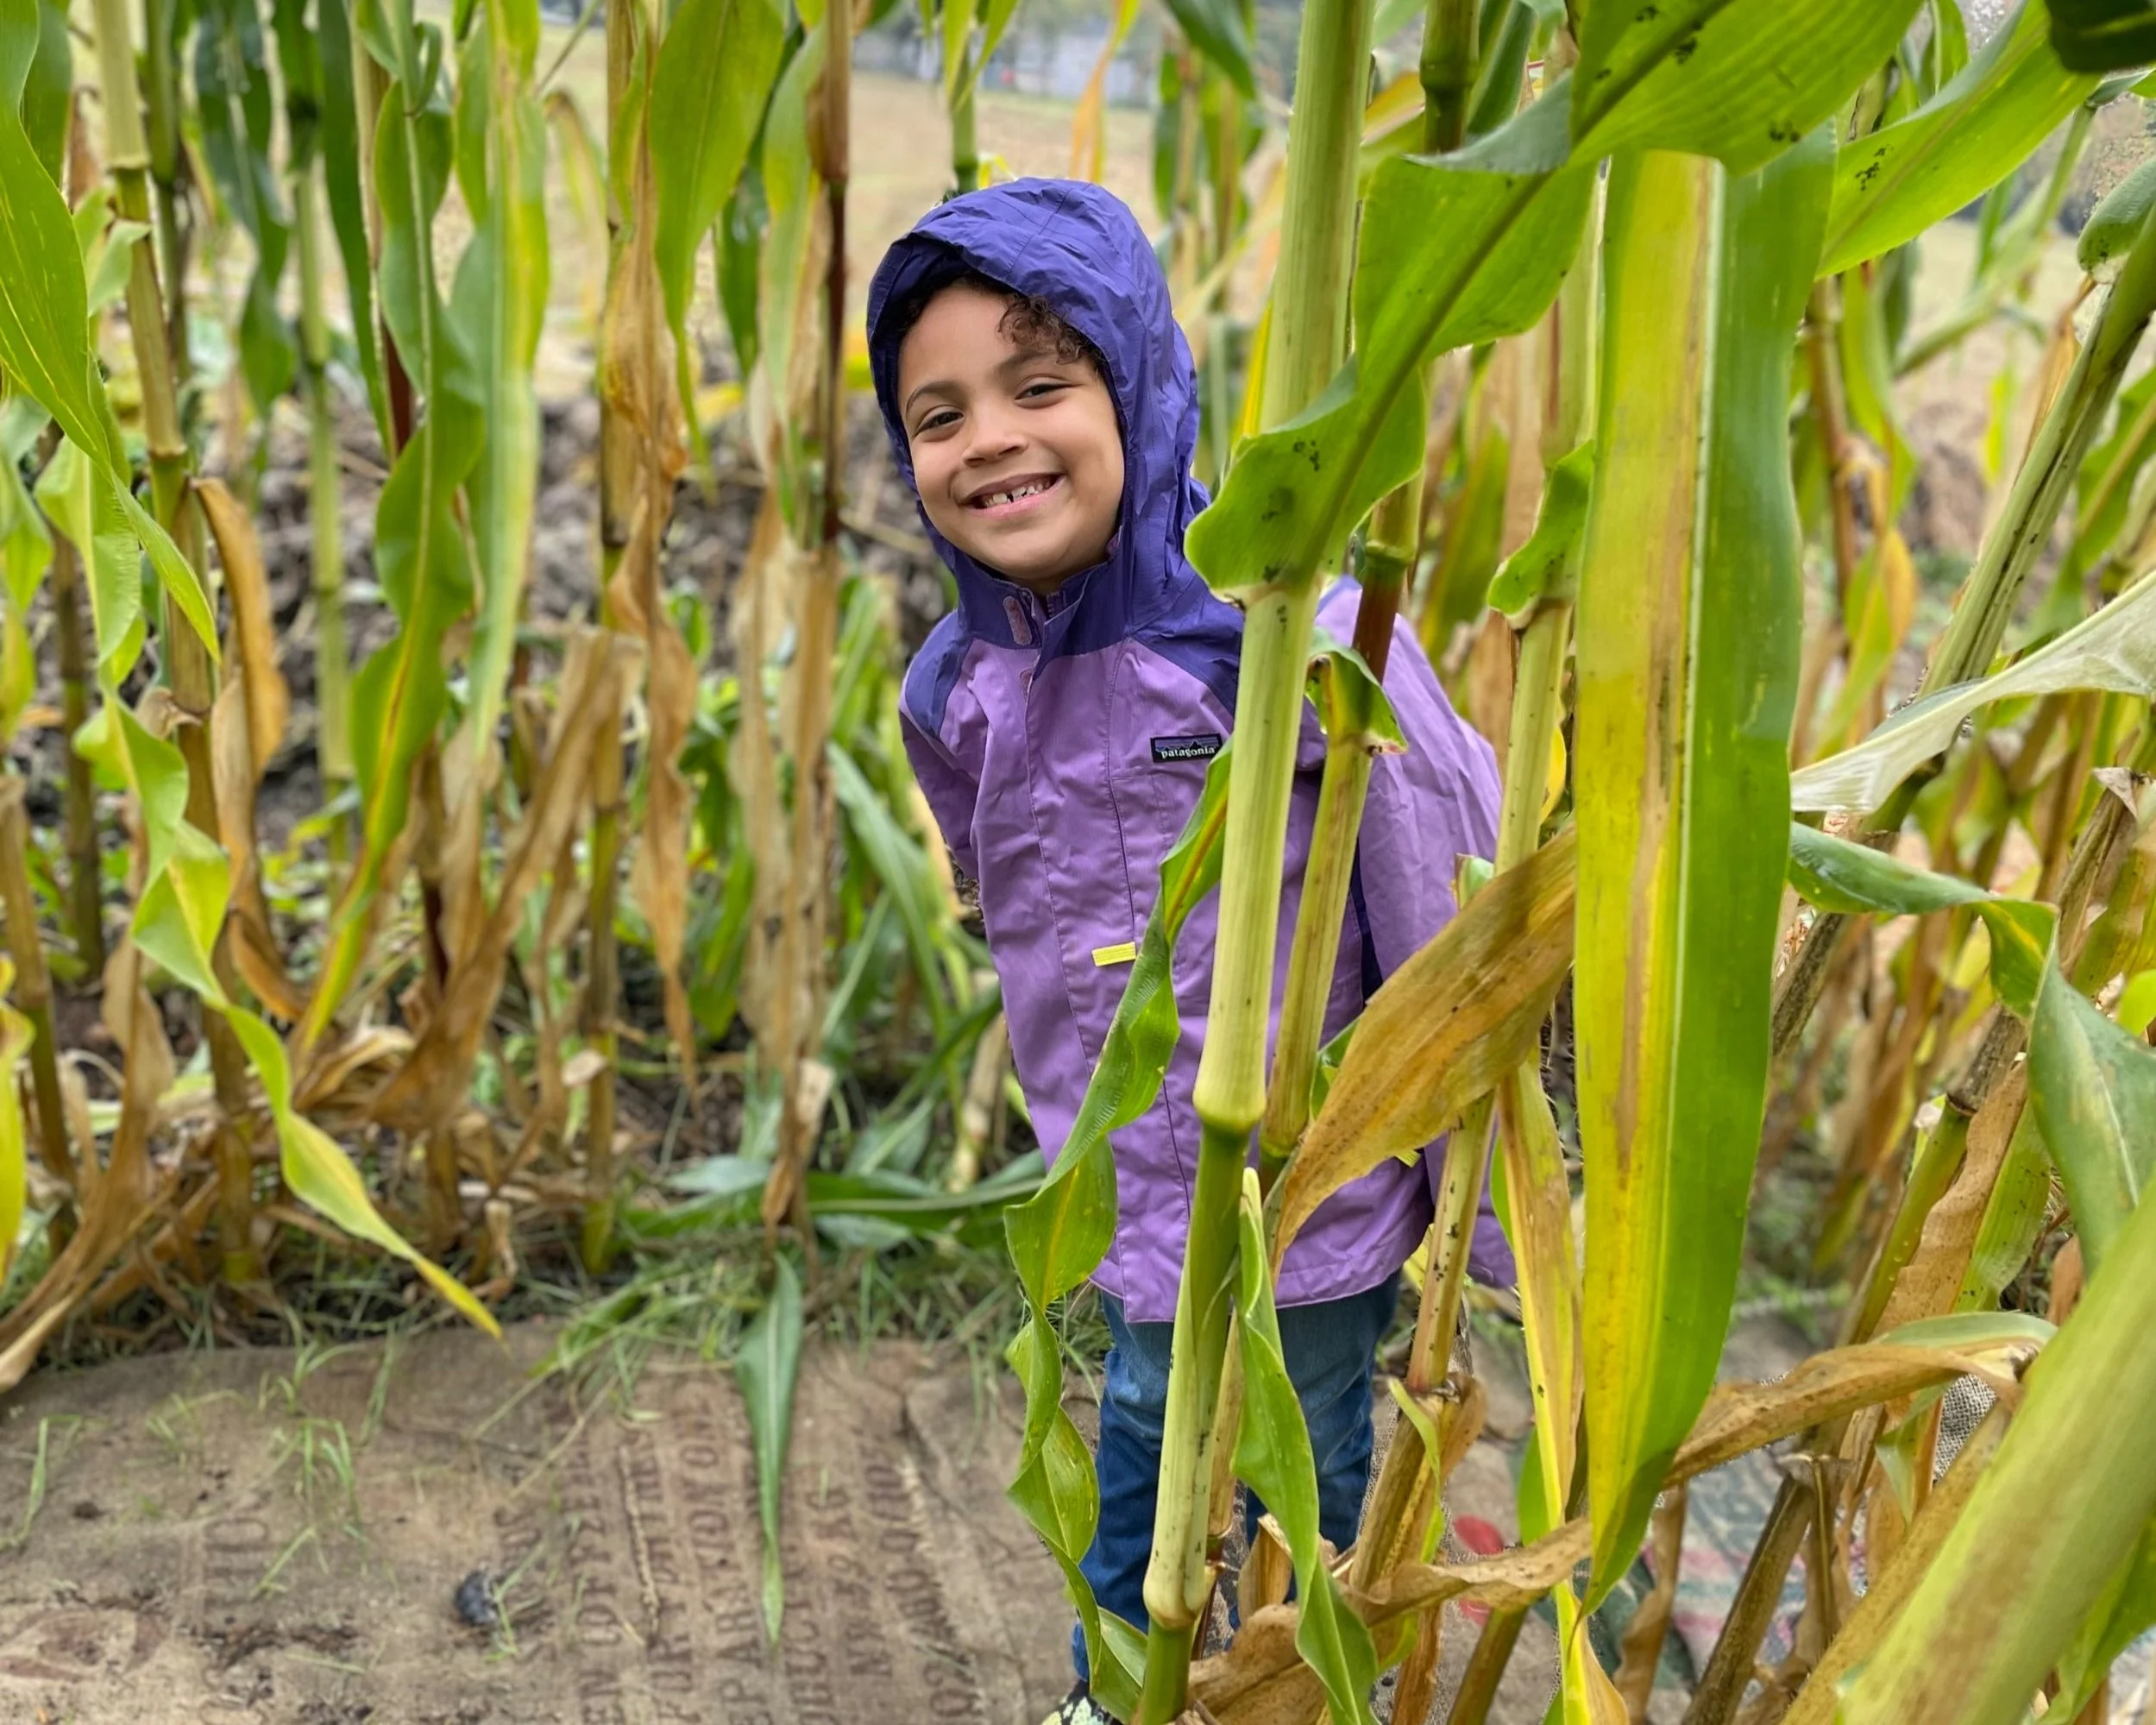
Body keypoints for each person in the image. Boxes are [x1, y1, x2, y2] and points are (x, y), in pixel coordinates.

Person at [864, 179, 1506, 1725]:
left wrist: (1466, 1198)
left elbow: (1444, 895)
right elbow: (989, 876)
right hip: (1125, 1182)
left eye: (1040, 385)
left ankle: (1307, 1684)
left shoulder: (1280, 637)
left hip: (1310, 1175)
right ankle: (1140, 1685)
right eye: (937, 413)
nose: (991, 440)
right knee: (1149, 1439)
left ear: (1137, 389)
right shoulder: (954, 683)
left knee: (1311, 1450)